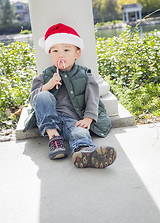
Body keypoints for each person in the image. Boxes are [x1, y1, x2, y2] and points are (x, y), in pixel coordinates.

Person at [24, 23, 117, 169]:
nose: (60, 54)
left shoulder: (85, 75)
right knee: (42, 96)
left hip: (72, 119)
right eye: (55, 51)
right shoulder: (45, 76)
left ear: (77, 53)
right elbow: (33, 101)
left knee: (80, 132)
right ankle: (54, 139)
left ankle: (84, 152)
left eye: (66, 50)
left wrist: (88, 118)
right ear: (50, 54)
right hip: (50, 121)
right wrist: (47, 86)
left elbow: (93, 98)